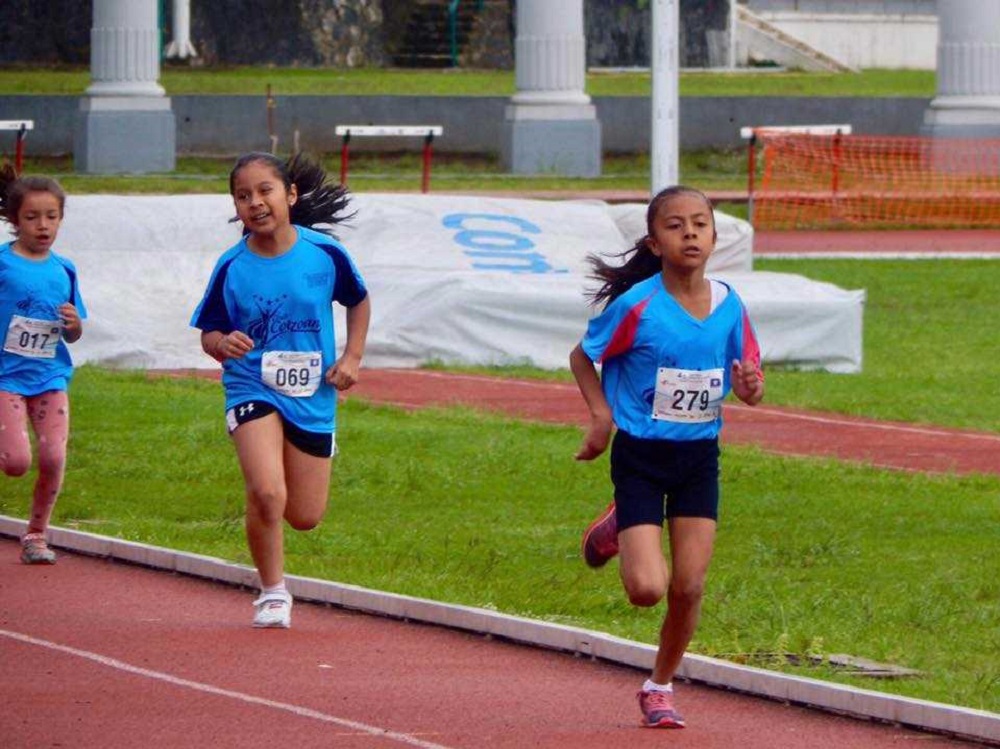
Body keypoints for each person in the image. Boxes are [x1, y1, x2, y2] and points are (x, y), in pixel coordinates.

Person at [569, 185, 764, 729]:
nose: (691, 234)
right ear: (655, 243)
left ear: (714, 236)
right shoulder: (639, 306)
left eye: (700, 224)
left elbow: (749, 380)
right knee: (647, 591)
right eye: (676, 226)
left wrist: (750, 383)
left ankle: (659, 686)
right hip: (641, 458)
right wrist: (601, 419)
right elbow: (583, 358)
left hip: (699, 457)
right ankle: (616, 524)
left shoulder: (729, 305)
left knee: (689, 586)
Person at [190, 152, 371, 629]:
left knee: (305, 515)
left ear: (289, 195)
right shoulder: (232, 265)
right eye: (243, 196)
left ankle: (269, 504)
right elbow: (208, 331)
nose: (255, 202)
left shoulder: (325, 255)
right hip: (252, 384)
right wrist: (221, 343)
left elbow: (358, 301)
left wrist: (351, 357)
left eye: (265, 191)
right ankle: (273, 591)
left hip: (312, 392)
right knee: (268, 492)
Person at [0, 166, 86, 565]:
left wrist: (74, 324)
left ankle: (36, 535)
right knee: (17, 463)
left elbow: (74, 332)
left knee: (53, 458)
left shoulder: (64, 269)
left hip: (50, 377)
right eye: (32, 217)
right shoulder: (3, 264)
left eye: (51, 216)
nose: (43, 225)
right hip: (6, 379)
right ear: (15, 220)